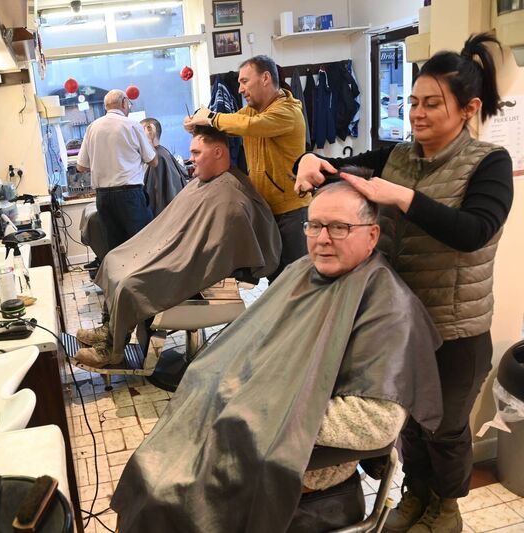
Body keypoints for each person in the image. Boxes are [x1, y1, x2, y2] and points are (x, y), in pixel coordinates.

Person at [109, 182, 443, 532]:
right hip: (238, 425)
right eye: (314, 225)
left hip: (291, 455)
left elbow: (375, 424)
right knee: (150, 471)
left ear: (372, 235)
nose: (322, 238)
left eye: (339, 227)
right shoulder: (302, 272)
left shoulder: (387, 309)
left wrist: (262, 407)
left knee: (170, 498)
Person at [293, 33, 514, 533]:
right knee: (408, 421)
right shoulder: (396, 156)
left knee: (447, 427)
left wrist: (403, 198)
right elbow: (335, 172)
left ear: (467, 108)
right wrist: (305, 161)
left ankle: (446, 508)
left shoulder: (489, 163)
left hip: (456, 328)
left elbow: (475, 232)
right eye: (413, 101)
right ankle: (415, 496)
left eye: (431, 103)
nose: (416, 113)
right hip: (397, 323)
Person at [73, 127, 280, 367]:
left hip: (192, 270)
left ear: (218, 152)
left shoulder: (232, 200)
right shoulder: (204, 184)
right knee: (113, 259)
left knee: (130, 283)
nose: (191, 158)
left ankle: (112, 350)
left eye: (196, 152)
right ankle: (109, 328)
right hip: (176, 254)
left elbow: (211, 254)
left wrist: (167, 259)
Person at [184, 55, 308, 280]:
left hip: (291, 212)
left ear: (265, 78)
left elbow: (252, 126)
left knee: (294, 281)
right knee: (275, 275)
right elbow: (232, 124)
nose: (240, 89)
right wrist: (200, 126)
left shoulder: (288, 112)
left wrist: (211, 117)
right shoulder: (252, 111)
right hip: (266, 207)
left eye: (244, 81)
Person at [77, 89, 158, 256]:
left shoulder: (93, 127)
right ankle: (142, 281)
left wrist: (103, 162)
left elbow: (81, 166)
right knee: (141, 245)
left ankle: (122, 282)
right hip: (130, 195)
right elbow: (153, 161)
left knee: (115, 250)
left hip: (104, 197)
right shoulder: (132, 125)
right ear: (124, 103)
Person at [140, 118, 188, 217]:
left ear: (150, 133)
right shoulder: (163, 153)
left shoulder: (158, 158)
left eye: (139, 134)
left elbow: (155, 198)